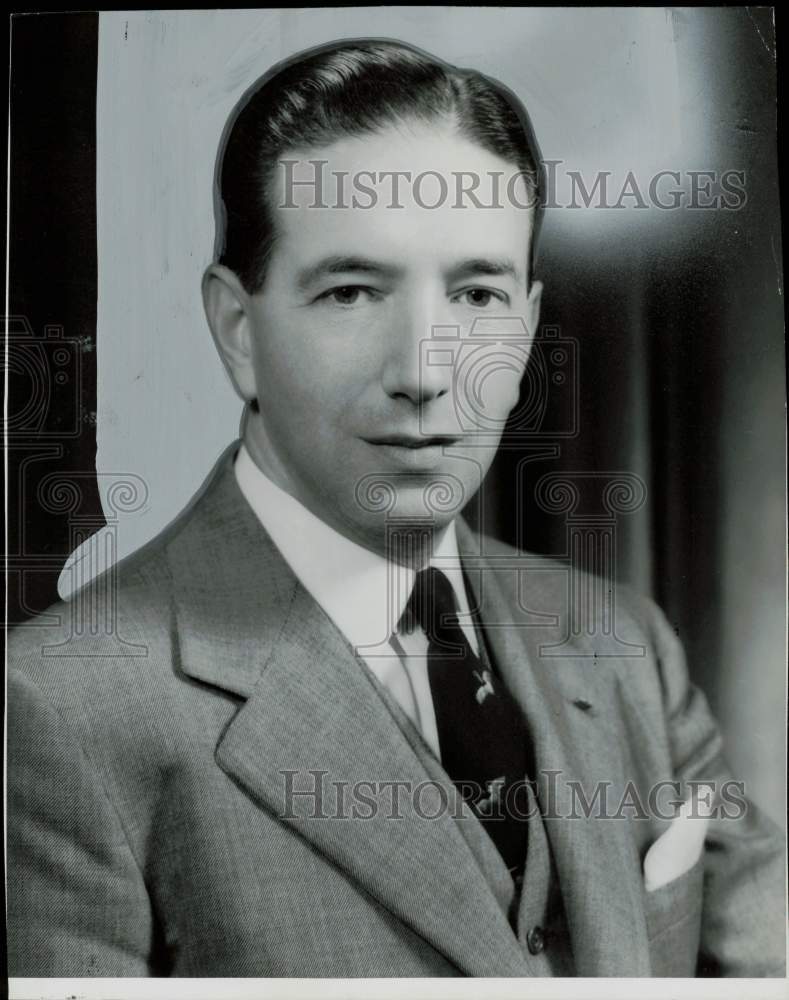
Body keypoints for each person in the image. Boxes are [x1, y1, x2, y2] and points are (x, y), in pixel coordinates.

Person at [7, 38, 785, 979]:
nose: (425, 372)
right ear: (237, 329)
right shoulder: (57, 709)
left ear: (529, 326)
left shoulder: (624, 644)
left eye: (476, 293)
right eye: (350, 292)